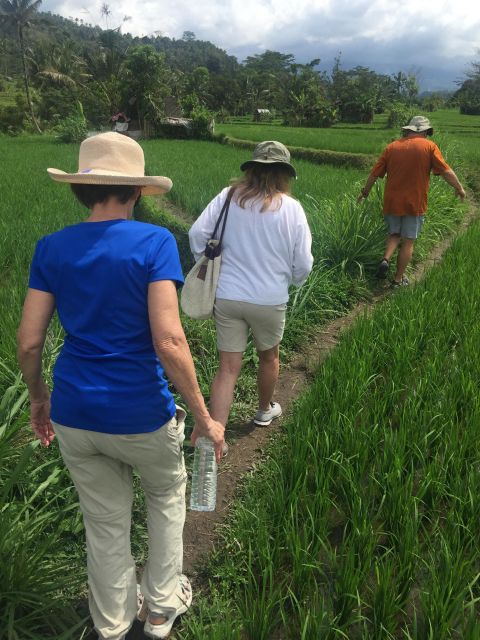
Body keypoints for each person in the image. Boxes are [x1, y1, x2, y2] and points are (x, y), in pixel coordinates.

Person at [16, 132, 225, 640]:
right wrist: (204, 418)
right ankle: (159, 611)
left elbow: (28, 342)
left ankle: (110, 626)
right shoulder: (153, 243)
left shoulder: (52, 248)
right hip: (140, 413)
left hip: (74, 411)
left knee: (104, 522)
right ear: (134, 191)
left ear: (82, 191)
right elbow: (170, 341)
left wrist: (39, 398)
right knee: (166, 500)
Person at [188, 141, 313, 434]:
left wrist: (208, 266)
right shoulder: (292, 209)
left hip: (228, 295)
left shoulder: (228, 196)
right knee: (269, 356)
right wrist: (291, 280)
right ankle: (264, 411)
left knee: (228, 368)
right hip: (269, 299)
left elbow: (196, 234)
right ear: (284, 173)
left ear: (251, 169)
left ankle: (216, 433)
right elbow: (304, 262)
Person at [358, 115, 466, 287]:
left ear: (408, 130)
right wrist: (459, 188)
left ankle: (386, 259)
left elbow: (374, 174)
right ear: (424, 132)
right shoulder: (429, 146)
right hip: (414, 203)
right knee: (408, 241)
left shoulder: (391, 147)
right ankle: (398, 280)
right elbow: (446, 171)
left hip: (392, 201)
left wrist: (364, 193)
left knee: (394, 234)